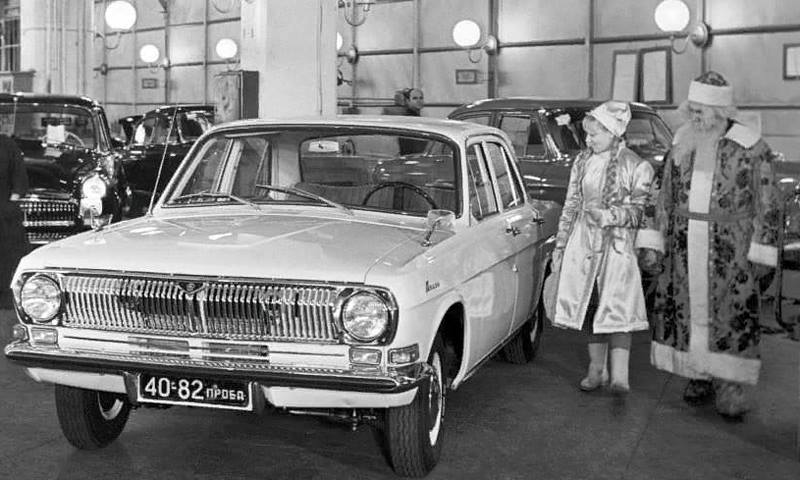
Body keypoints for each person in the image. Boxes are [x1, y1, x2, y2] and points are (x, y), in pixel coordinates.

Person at [636, 71, 781, 419]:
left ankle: (730, 388)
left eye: (700, 111)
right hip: (684, 248)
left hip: (731, 252)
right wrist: (653, 241)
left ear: (719, 111)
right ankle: (697, 374)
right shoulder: (682, 141)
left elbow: (769, 202)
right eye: (691, 110)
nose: (694, 117)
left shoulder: (751, 147)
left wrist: (762, 250)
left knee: (730, 316)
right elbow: (663, 194)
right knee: (687, 313)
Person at [549, 100, 654, 395]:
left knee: (618, 310)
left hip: (617, 249)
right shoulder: (582, 162)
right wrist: (560, 245)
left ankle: (620, 376)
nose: (588, 140)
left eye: (594, 134)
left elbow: (640, 211)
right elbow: (571, 205)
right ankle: (596, 369)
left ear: (613, 132)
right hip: (582, 245)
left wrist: (610, 216)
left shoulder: (636, 166)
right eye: (587, 134)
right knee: (590, 306)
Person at [0, 132, 29, 308]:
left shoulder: (7, 145)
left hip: (4, 212)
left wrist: (10, 204)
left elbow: (19, 179)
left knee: (8, 257)